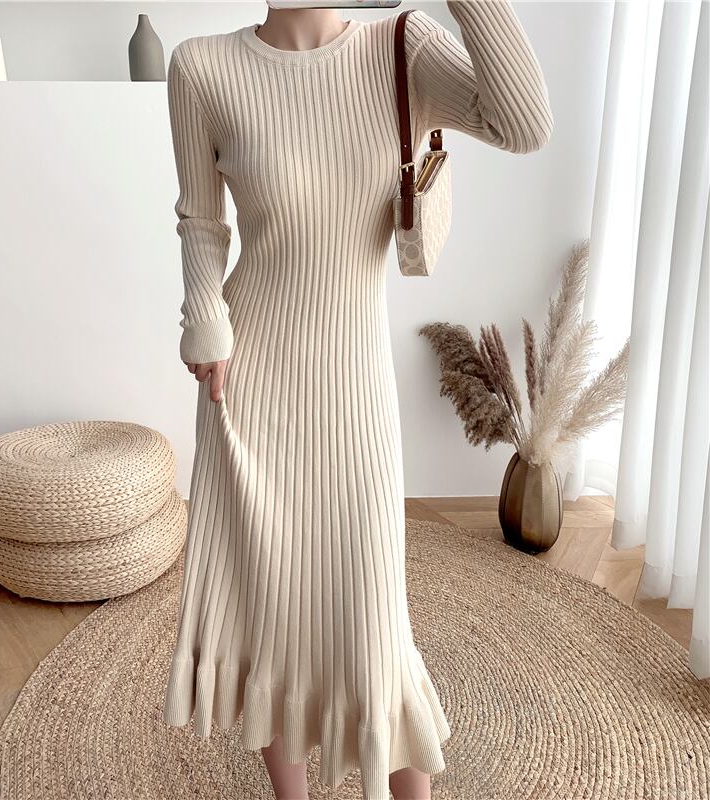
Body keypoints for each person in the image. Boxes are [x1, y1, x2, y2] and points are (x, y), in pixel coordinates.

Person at [162, 3, 552, 799]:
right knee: (269, 609)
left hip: (354, 381)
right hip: (250, 376)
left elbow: (524, 126)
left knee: (373, 622)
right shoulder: (201, 67)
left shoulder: (404, 48)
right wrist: (204, 315)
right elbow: (202, 220)